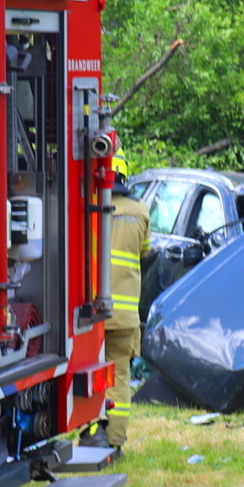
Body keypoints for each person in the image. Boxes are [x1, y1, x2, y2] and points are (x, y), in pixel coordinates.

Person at [80, 145, 150, 452]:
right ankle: (115, 442)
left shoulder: (86, 205)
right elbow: (146, 252)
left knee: (85, 374)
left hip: (89, 313)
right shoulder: (140, 210)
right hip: (124, 315)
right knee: (119, 376)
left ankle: (90, 432)